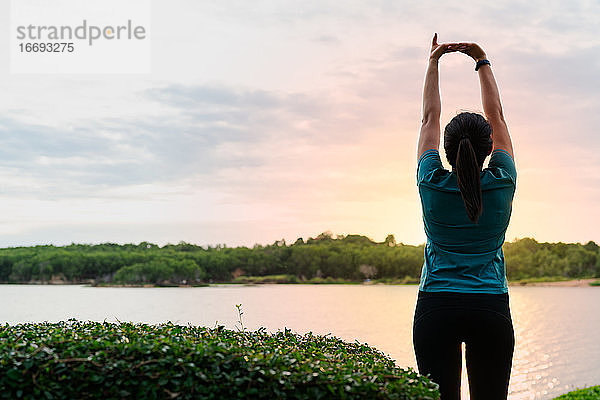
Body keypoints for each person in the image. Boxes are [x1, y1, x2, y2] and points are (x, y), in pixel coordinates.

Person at [413, 34, 516, 400]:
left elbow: (429, 118)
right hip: (490, 307)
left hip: (436, 306)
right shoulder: (502, 181)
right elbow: (497, 116)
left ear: (446, 148)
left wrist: (434, 62)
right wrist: (481, 60)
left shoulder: (431, 182)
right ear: (490, 148)